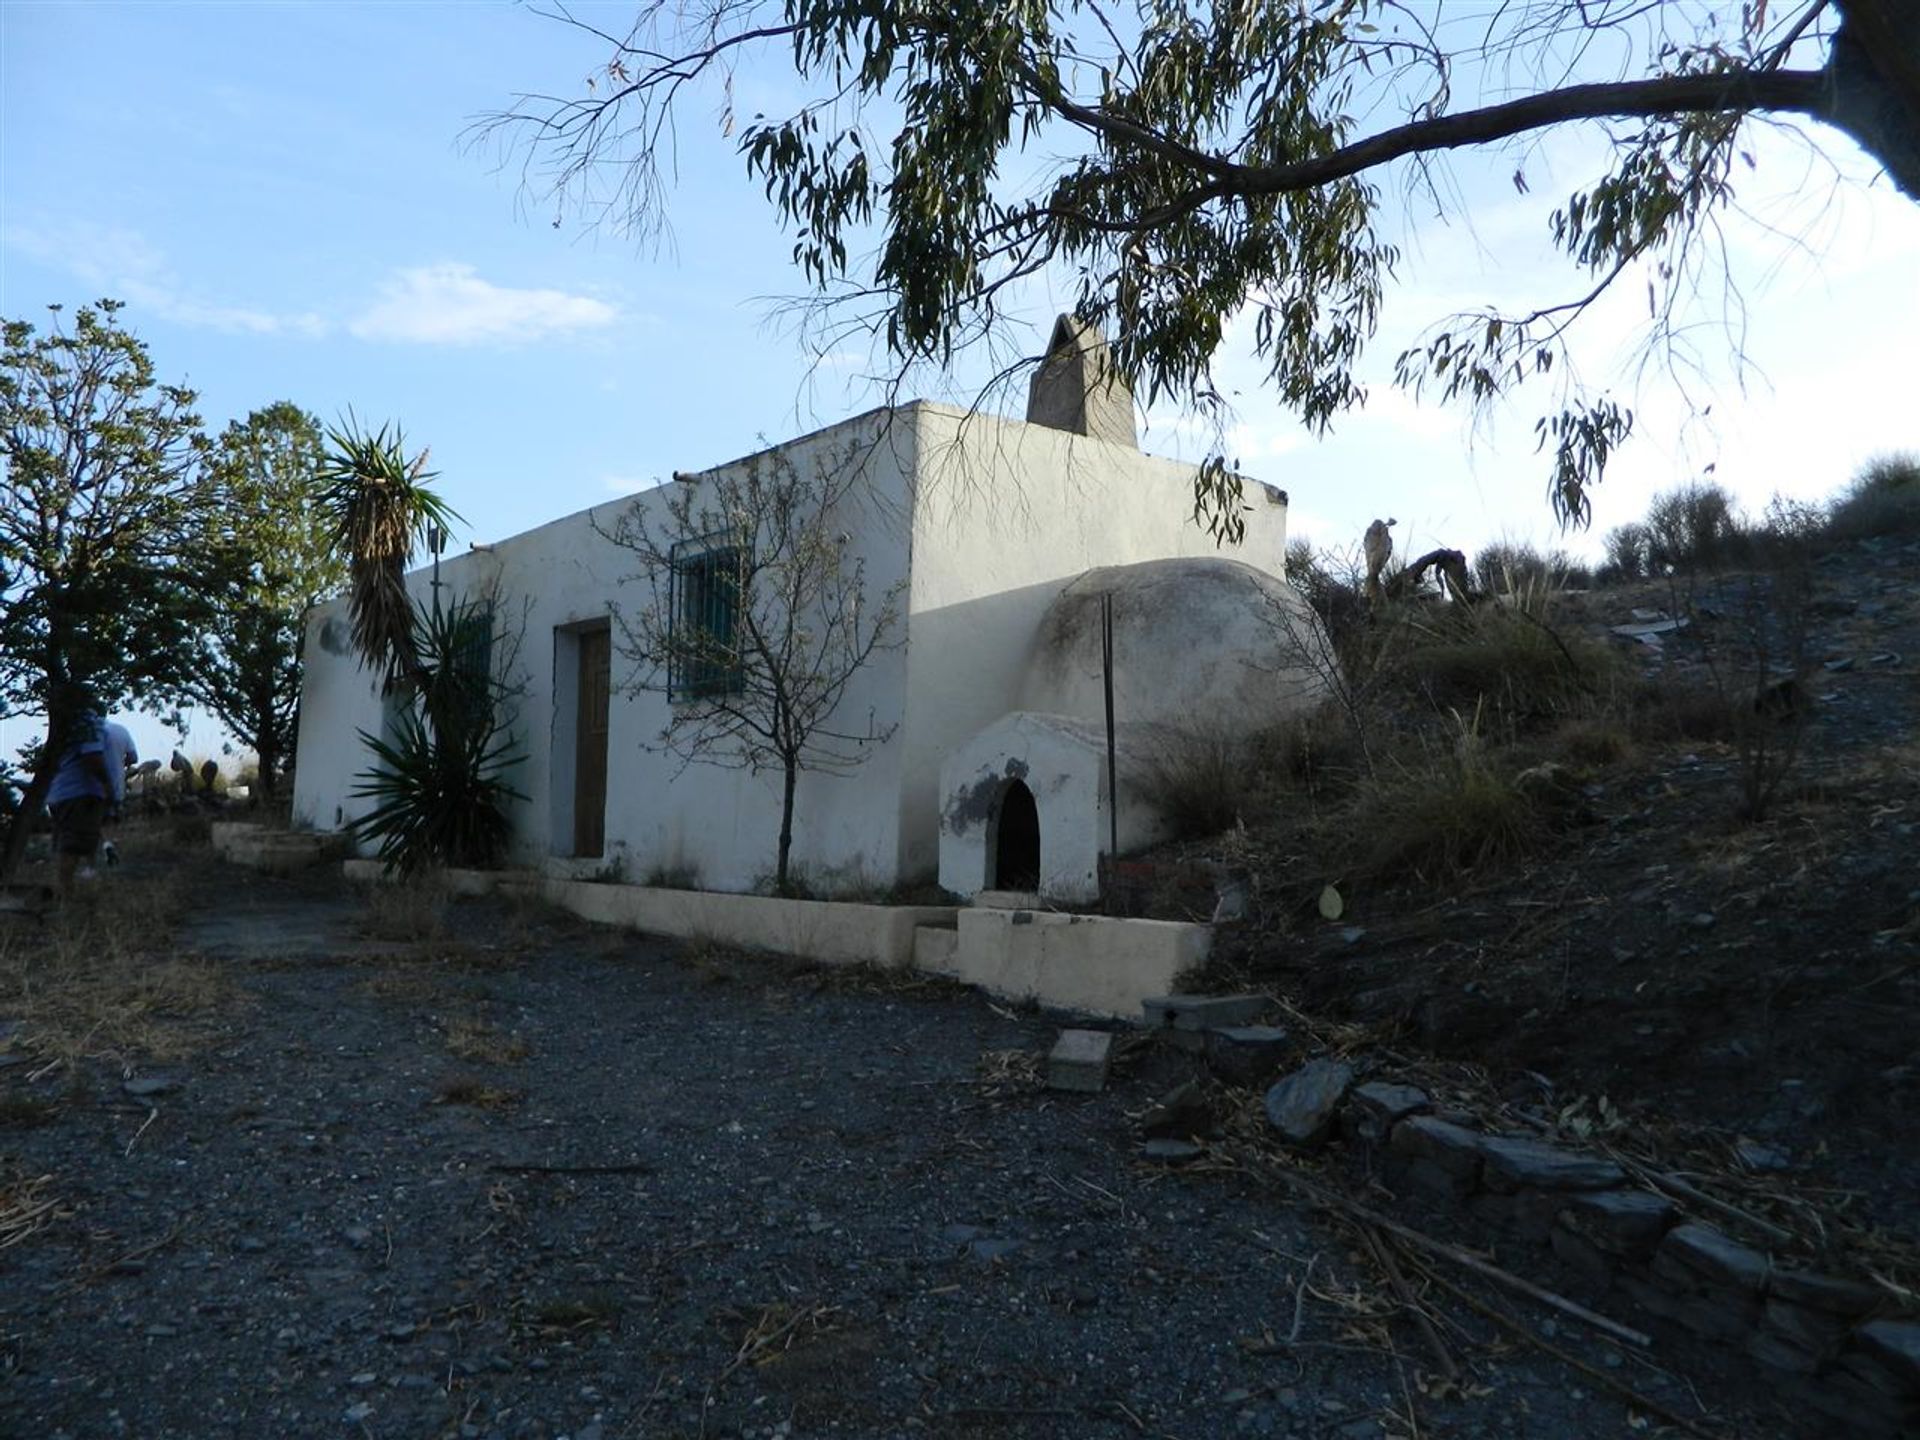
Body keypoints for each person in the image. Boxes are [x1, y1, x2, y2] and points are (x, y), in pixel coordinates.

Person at [44, 709, 111, 895]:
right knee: (74, 848)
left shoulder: (66, 724)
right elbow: (92, 757)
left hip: (59, 793)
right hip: (79, 793)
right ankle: (69, 897)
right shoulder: (87, 723)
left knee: (69, 844)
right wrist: (108, 785)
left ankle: (67, 893)